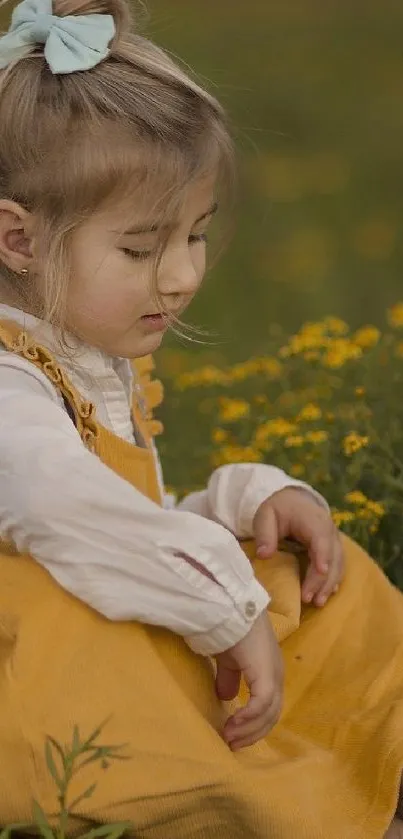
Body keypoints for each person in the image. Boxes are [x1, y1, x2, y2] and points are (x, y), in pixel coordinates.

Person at [0, 0, 402, 836]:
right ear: (19, 240)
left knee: (318, 575)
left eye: (197, 235)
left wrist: (236, 503)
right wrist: (226, 608)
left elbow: (130, 520)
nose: (182, 275)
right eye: (142, 248)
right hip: (40, 685)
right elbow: (68, 513)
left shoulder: (79, 356)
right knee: (130, 630)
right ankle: (265, 792)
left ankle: (364, 752)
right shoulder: (7, 385)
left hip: (104, 612)